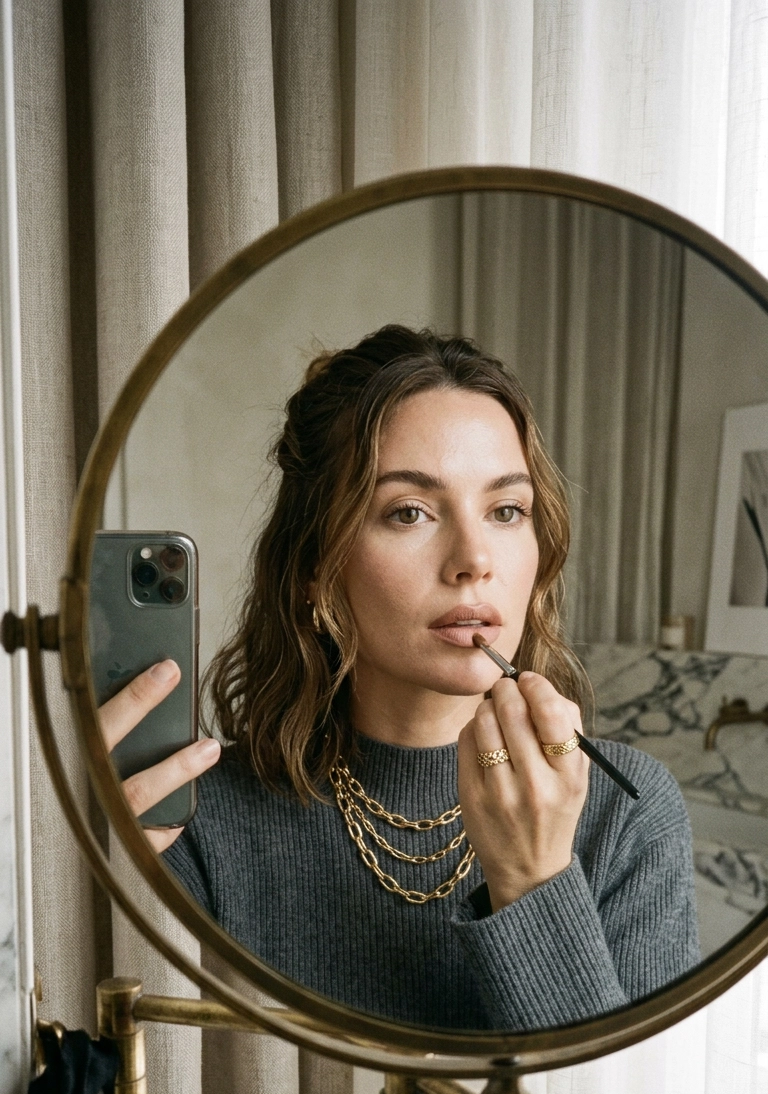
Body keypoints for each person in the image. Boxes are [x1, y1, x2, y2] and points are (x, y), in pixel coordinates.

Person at [98, 325, 700, 1031]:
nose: (475, 560)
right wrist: (83, 877)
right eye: (409, 512)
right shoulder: (192, 823)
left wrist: (535, 883)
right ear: (315, 569)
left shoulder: (628, 812)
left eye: (507, 511)